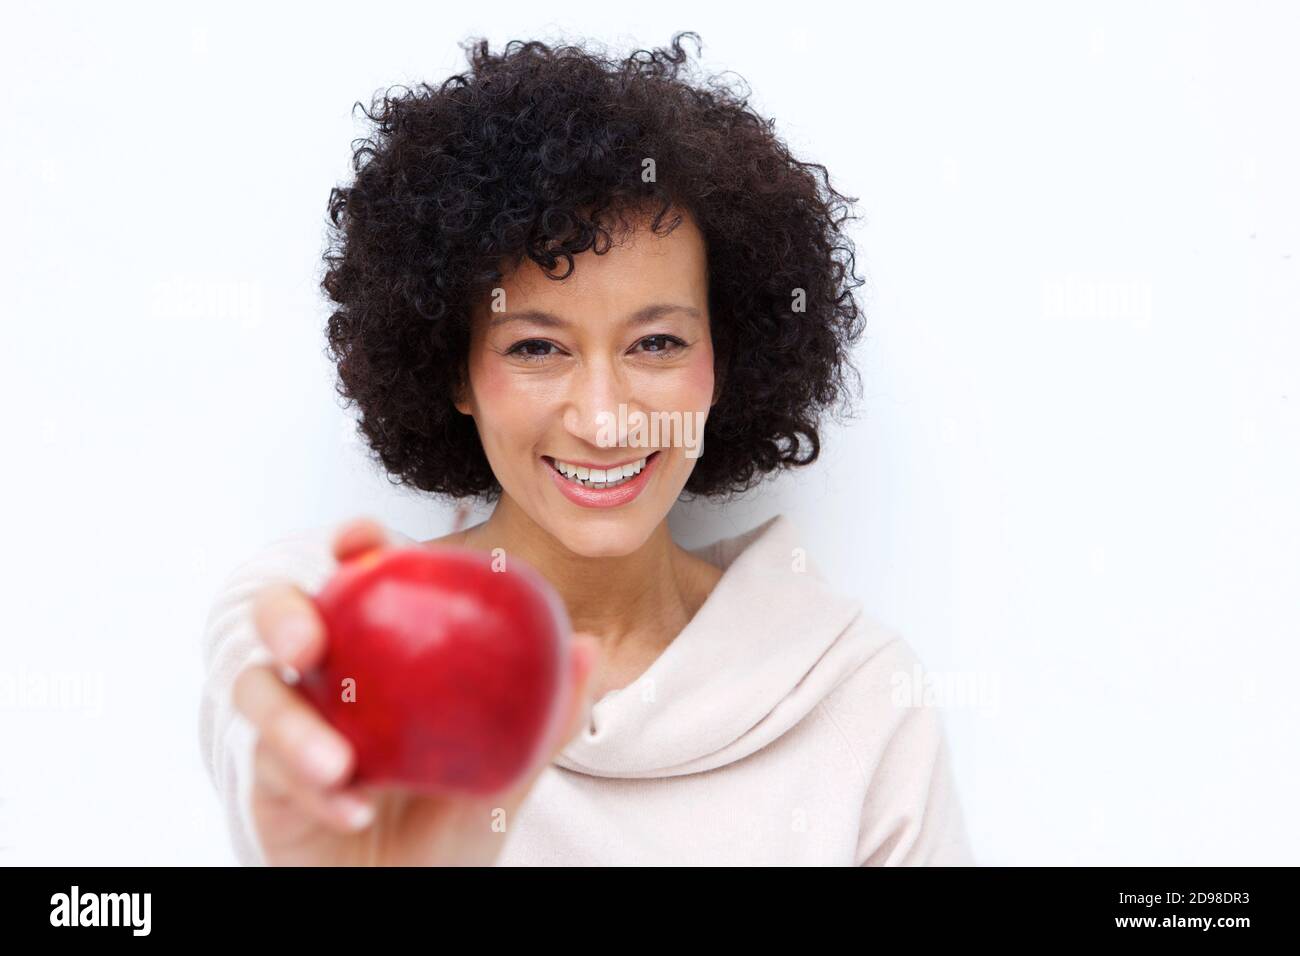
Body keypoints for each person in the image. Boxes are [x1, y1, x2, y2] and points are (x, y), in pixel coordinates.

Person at [198, 32, 975, 866]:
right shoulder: (343, 631)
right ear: (454, 371)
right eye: (536, 348)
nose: (604, 422)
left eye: (658, 345)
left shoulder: (861, 698)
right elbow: (268, 694)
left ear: (727, 358)